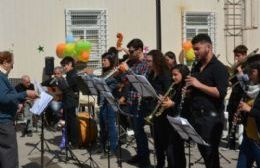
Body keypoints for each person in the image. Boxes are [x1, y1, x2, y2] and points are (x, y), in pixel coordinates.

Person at [185, 34, 229, 168]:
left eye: (197, 49)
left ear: (208, 47)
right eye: (194, 49)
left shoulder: (218, 67)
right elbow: (197, 90)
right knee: (203, 152)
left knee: (211, 155)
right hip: (197, 115)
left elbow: (221, 93)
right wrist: (189, 91)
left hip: (212, 118)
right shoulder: (197, 66)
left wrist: (198, 85)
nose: (194, 52)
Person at [0, 51, 38, 168]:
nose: (12, 67)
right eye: (12, 64)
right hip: (4, 121)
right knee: (9, 155)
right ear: (5, 62)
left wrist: (16, 104)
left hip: (5, 119)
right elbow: (3, 97)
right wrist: (24, 93)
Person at [120, 38, 150, 167]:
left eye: (131, 51)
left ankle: (145, 159)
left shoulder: (146, 62)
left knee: (139, 130)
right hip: (131, 100)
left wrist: (127, 70)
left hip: (140, 101)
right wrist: (121, 72)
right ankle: (140, 155)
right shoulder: (133, 62)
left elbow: (140, 80)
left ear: (139, 50)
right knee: (136, 132)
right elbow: (127, 80)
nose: (129, 54)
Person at [143, 50, 172, 168]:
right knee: (157, 142)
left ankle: (170, 164)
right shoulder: (150, 74)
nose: (147, 63)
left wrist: (162, 96)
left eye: (149, 61)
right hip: (152, 110)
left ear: (156, 61)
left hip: (163, 112)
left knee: (165, 142)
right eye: (147, 61)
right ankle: (160, 164)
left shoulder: (165, 74)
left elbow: (169, 91)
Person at [161, 64, 190, 168]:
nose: (173, 77)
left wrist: (172, 104)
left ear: (183, 74)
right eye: (172, 75)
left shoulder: (187, 87)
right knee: (171, 151)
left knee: (176, 150)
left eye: (175, 75)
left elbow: (188, 106)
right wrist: (164, 100)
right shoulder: (175, 85)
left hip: (181, 122)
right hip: (171, 120)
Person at [236, 62, 260, 167]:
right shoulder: (249, 89)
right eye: (249, 72)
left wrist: (249, 109)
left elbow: (253, 111)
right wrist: (241, 118)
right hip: (248, 136)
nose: (249, 74)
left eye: (253, 72)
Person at [226, 45, 248, 149]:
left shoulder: (249, 66)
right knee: (231, 119)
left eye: (238, 56)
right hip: (234, 96)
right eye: (235, 56)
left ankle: (246, 144)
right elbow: (233, 82)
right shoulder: (236, 67)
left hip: (244, 97)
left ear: (244, 55)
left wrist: (240, 71)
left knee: (245, 121)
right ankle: (231, 144)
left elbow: (248, 82)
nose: (236, 58)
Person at [98, 51, 119, 158]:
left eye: (105, 60)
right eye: (102, 60)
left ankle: (113, 149)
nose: (102, 62)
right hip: (102, 102)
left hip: (110, 103)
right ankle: (102, 147)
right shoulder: (104, 73)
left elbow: (110, 86)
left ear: (111, 61)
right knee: (102, 126)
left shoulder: (114, 73)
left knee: (110, 126)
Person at [58, 57, 80, 147]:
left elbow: (69, 86)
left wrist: (61, 80)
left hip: (71, 100)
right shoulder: (68, 74)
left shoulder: (74, 74)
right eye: (63, 66)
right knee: (67, 121)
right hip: (66, 100)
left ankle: (74, 142)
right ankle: (68, 140)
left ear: (70, 64)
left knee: (72, 121)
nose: (64, 67)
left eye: (65, 65)